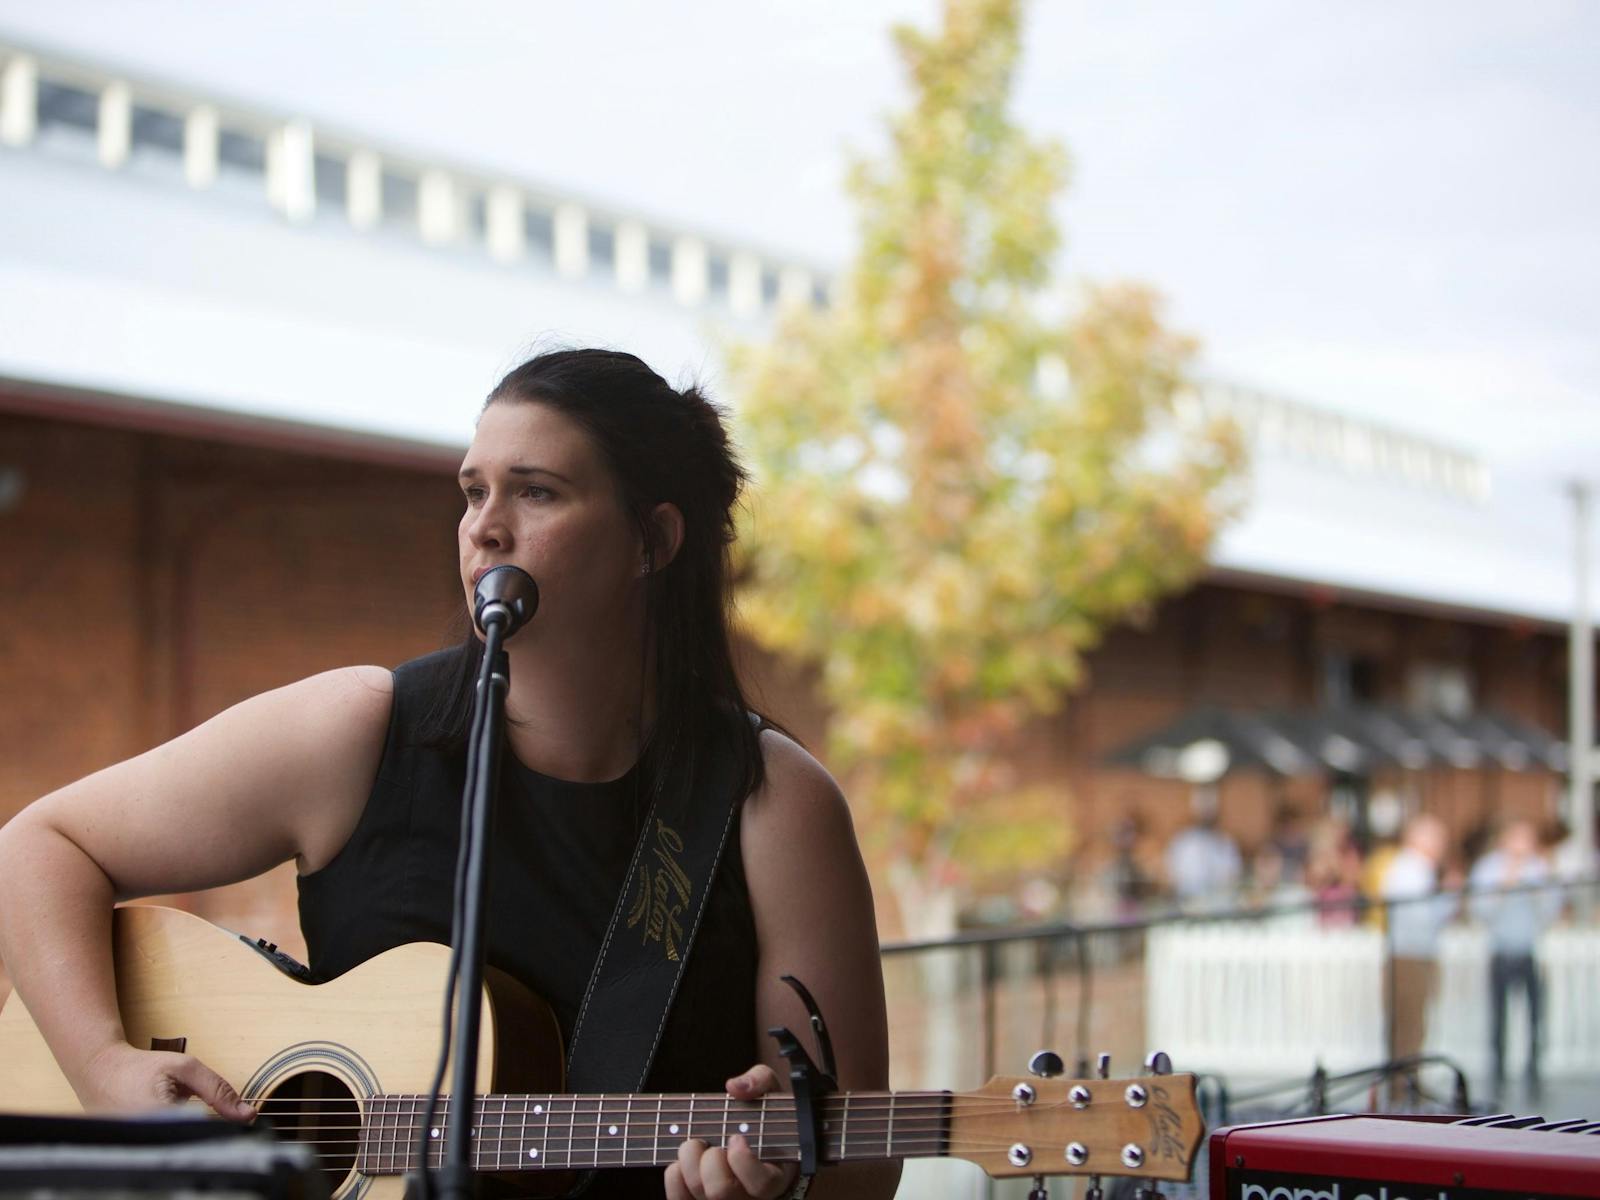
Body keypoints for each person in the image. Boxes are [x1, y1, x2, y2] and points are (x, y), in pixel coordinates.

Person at [0, 350, 900, 1200]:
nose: (484, 527)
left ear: (652, 541)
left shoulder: (773, 804)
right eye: (474, 492)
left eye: (537, 492)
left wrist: (778, 1181)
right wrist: (105, 1065)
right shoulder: (357, 731)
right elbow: (39, 846)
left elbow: (864, 1159)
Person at [1469, 819, 1562, 1088]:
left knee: (1535, 1016)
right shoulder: (1489, 868)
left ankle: (1533, 1069)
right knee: (1499, 1016)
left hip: (1529, 950)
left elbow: (1550, 910)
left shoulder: (1539, 868)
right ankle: (1498, 1071)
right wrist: (1507, 881)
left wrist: (1535, 888)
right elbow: (1481, 910)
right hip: (1500, 949)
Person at [1379, 812, 1456, 1101]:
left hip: (1412, 954)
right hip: (1410, 956)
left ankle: (1408, 1083)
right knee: (1408, 1025)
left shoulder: (1412, 868)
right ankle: (1404, 1088)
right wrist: (1448, 896)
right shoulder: (1411, 869)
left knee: (1412, 1025)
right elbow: (1422, 917)